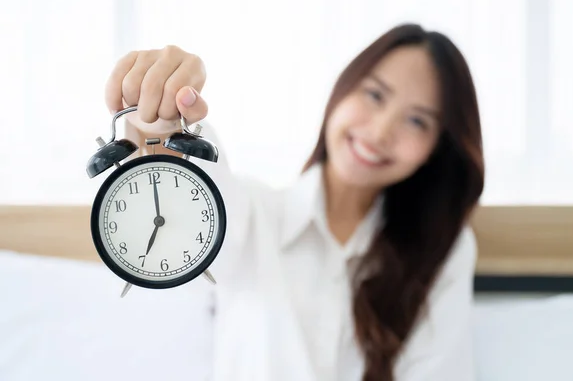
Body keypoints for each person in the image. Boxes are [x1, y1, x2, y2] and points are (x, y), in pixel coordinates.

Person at [104, 23, 484, 381]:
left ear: (437, 148)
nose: (382, 131)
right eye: (375, 95)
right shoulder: (253, 217)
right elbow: (175, 227)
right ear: (343, 89)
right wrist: (158, 123)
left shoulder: (442, 249)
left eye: (417, 121)